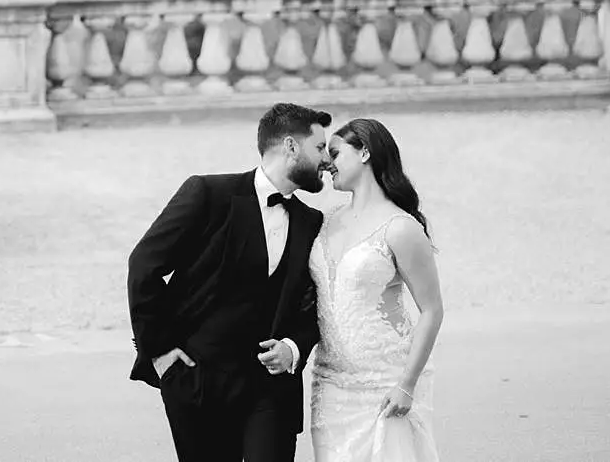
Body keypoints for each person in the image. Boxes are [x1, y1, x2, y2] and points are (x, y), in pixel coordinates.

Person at [127, 102, 334, 462]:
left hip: (271, 391)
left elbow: (317, 303)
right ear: (290, 146)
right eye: (319, 148)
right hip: (199, 382)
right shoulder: (208, 195)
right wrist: (159, 352)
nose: (326, 161)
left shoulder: (310, 222)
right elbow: (144, 265)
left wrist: (294, 347)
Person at [309, 118, 444, 462]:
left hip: (386, 383)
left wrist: (407, 384)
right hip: (330, 386)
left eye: (336, 153)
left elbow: (432, 310)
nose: (326, 163)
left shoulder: (400, 228)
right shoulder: (325, 221)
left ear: (365, 152)